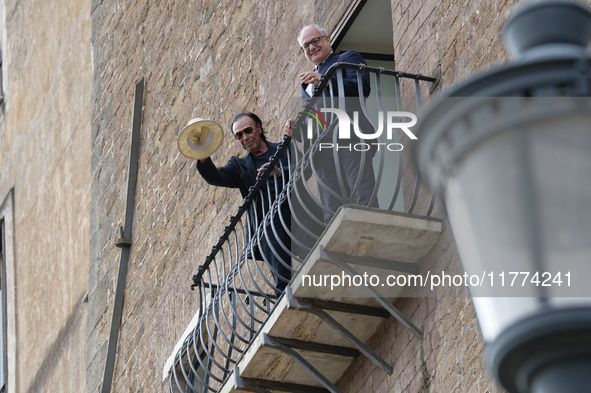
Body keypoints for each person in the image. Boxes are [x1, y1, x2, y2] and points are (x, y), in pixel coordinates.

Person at [285, 24, 378, 223]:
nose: (311, 47)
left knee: (361, 191)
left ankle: (371, 229)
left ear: (328, 38)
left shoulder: (347, 59)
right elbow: (315, 118)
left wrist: (326, 81)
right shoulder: (306, 84)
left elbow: (361, 89)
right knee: (331, 208)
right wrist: (298, 126)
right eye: (305, 46)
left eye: (315, 41)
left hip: (350, 135)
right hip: (321, 149)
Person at [197, 112, 292, 293]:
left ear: (258, 126)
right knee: (284, 283)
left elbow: (306, 169)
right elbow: (216, 177)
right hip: (269, 228)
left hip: (296, 216)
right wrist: (202, 153)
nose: (245, 137)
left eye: (248, 130)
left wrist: (279, 172)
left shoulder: (283, 148)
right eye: (238, 135)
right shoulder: (238, 166)